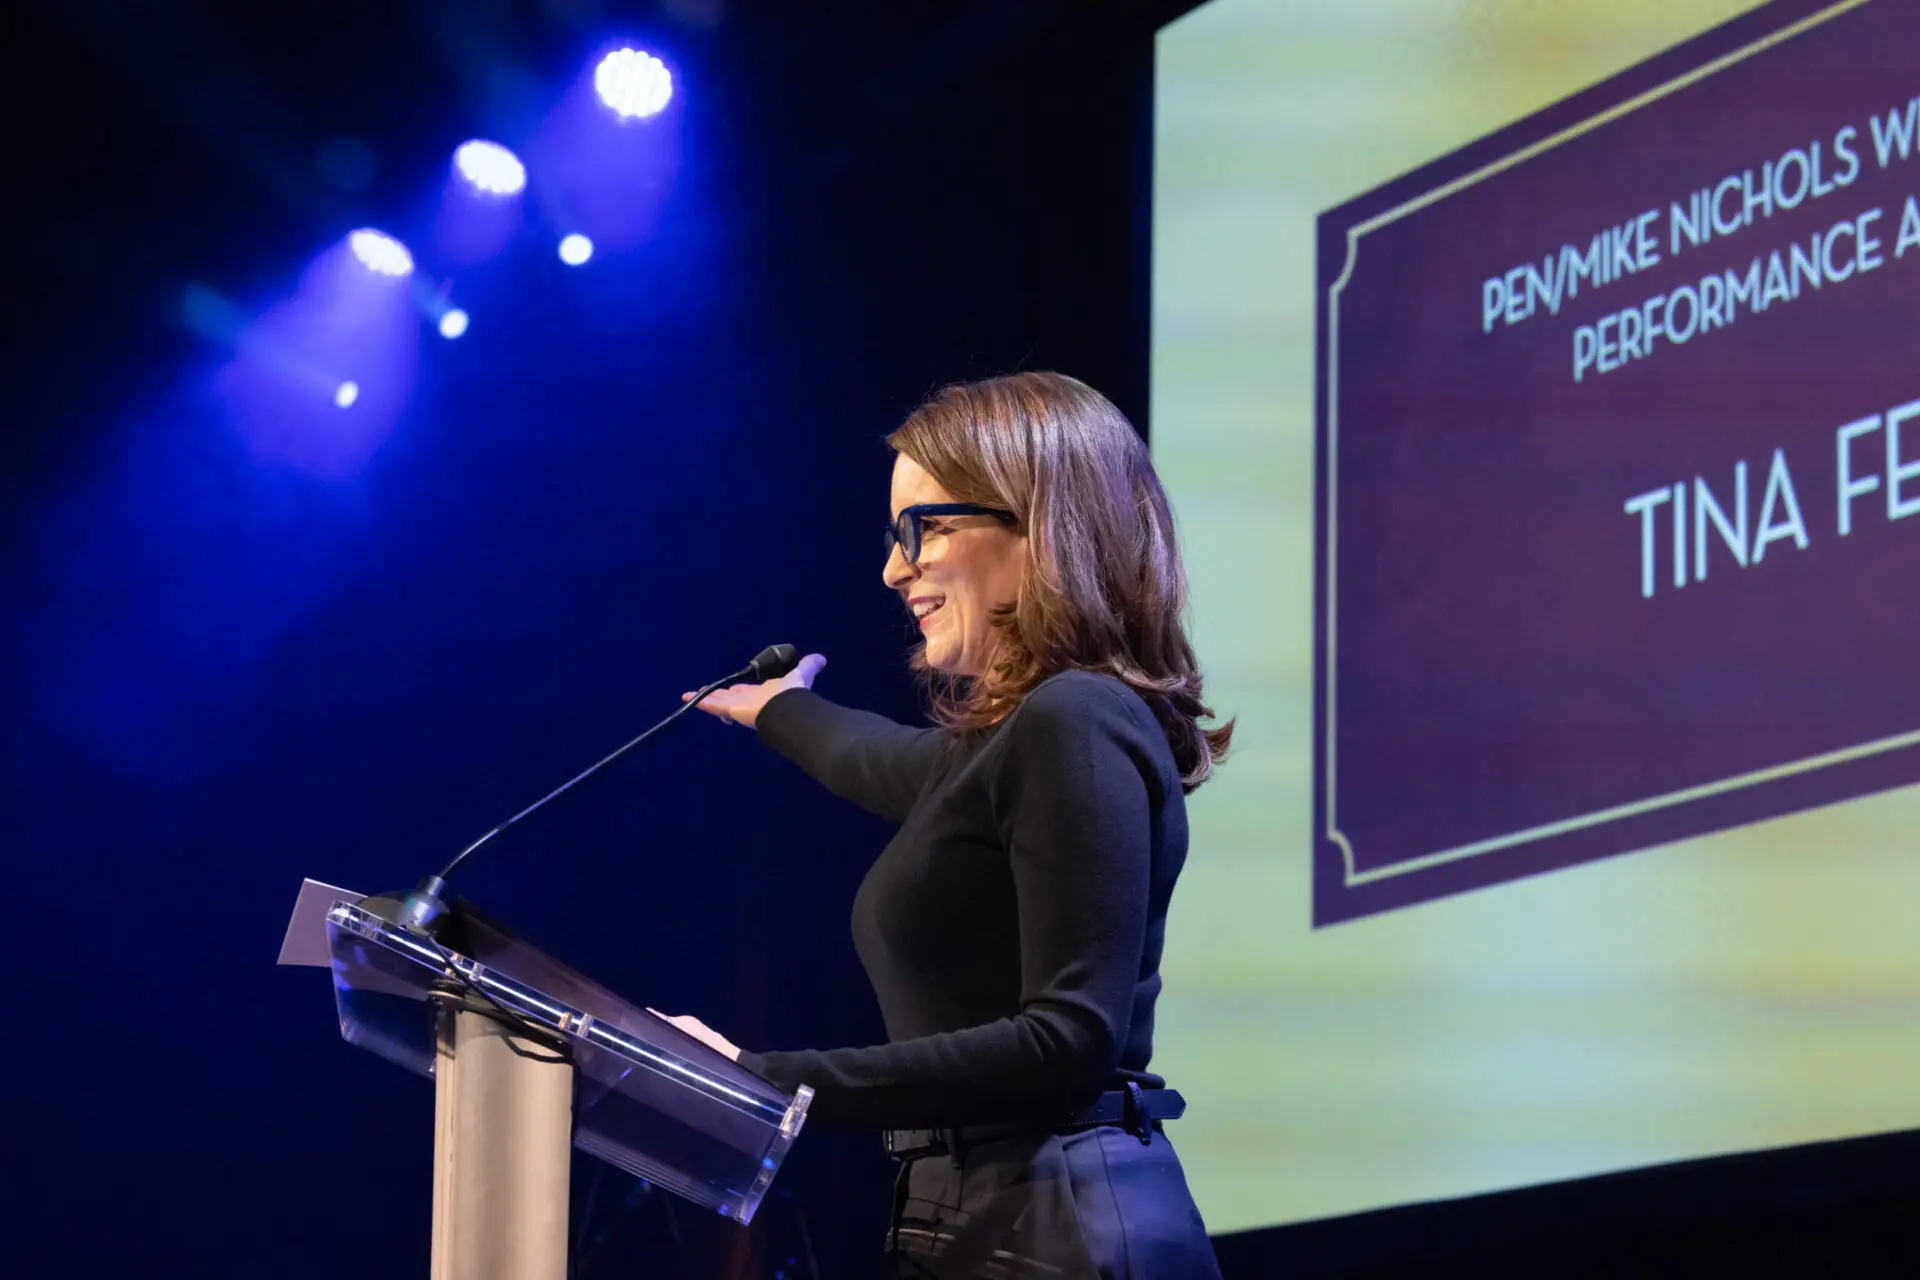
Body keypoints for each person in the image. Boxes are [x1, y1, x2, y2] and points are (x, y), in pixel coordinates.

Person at [662, 371, 1231, 1279]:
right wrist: (779, 709)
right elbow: (880, 758)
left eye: (921, 528)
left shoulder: (1076, 718)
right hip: (990, 1218)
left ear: (1036, 520)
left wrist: (763, 1076)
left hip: (1061, 1228)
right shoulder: (1018, 744)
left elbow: (1067, 1040)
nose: (894, 568)